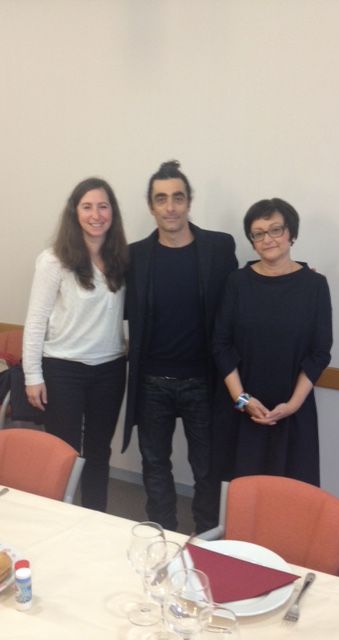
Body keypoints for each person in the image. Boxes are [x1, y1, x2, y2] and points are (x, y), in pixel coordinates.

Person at [122, 160, 238, 532]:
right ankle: (163, 537)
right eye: (161, 199)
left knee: (208, 469)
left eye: (178, 197)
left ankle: (207, 539)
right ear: (151, 206)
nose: (170, 207)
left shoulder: (218, 247)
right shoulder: (135, 256)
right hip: (152, 383)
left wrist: (296, 271)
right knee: (155, 465)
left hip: (203, 382)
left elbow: (243, 292)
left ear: (189, 202)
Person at [23, 177, 128, 511]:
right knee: (63, 452)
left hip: (110, 369)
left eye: (103, 206)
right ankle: (58, 518)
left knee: (99, 452)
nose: (96, 215)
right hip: (63, 369)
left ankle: (95, 518)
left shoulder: (121, 259)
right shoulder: (53, 260)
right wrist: (32, 375)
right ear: (75, 212)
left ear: (112, 212)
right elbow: (36, 320)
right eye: (87, 207)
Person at [212, 197, 332, 486]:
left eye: (276, 230)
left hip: (293, 410)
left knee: (289, 494)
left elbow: (319, 352)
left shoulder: (315, 285)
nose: (268, 239)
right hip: (242, 409)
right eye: (258, 233)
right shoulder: (237, 282)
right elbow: (221, 345)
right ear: (252, 242)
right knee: (240, 492)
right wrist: (242, 400)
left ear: (292, 234)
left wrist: (292, 405)